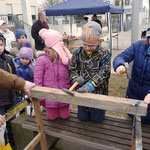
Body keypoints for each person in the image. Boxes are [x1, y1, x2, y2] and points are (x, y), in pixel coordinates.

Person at [68, 21, 111, 123]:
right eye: (84, 44)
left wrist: (90, 86)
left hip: (99, 94)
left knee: (97, 120)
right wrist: (75, 78)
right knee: (83, 118)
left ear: (98, 42)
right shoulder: (77, 53)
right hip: (82, 93)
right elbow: (72, 69)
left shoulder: (105, 54)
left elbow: (104, 73)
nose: (87, 48)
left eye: (91, 45)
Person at [113, 27, 150, 123]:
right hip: (132, 102)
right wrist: (119, 65)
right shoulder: (138, 46)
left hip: (148, 109)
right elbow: (120, 57)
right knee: (128, 131)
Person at [34, 28, 72, 120]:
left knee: (65, 116)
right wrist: (41, 98)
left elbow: (71, 74)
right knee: (52, 118)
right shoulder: (42, 60)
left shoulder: (65, 60)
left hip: (64, 96)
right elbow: (38, 80)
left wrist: (71, 91)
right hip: (49, 99)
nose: (62, 43)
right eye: (60, 41)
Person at [0, 33, 17, 148]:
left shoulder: (8, 59)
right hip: (0, 103)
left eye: (1, 44)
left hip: (11, 99)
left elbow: (14, 76)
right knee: (2, 129)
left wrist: (18, 93)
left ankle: (13, 145)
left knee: (12, 126)